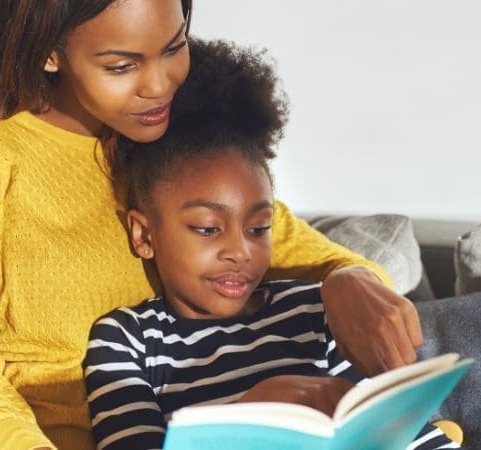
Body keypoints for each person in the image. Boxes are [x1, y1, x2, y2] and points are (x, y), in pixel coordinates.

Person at [0, 1, 424, 449]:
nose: (159, 86)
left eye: (174, 47)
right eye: (121, 65)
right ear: (50, 54)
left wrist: (350, 279)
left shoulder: (164, 133)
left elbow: (286, 240)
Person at [82, 38, 460, 449]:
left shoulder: (317, 311)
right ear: (144, 235)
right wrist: (250, 417)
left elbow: (412, 437)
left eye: (259, 228)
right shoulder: (127, 340)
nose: (240, 252)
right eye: (208, 229)